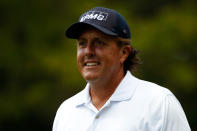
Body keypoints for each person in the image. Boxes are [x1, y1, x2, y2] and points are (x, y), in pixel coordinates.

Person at [53, 7, 191, 131]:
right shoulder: (66, 110)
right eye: (82, 43)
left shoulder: (160, 103)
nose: (88, 51)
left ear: (124, 52)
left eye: (99, 42)